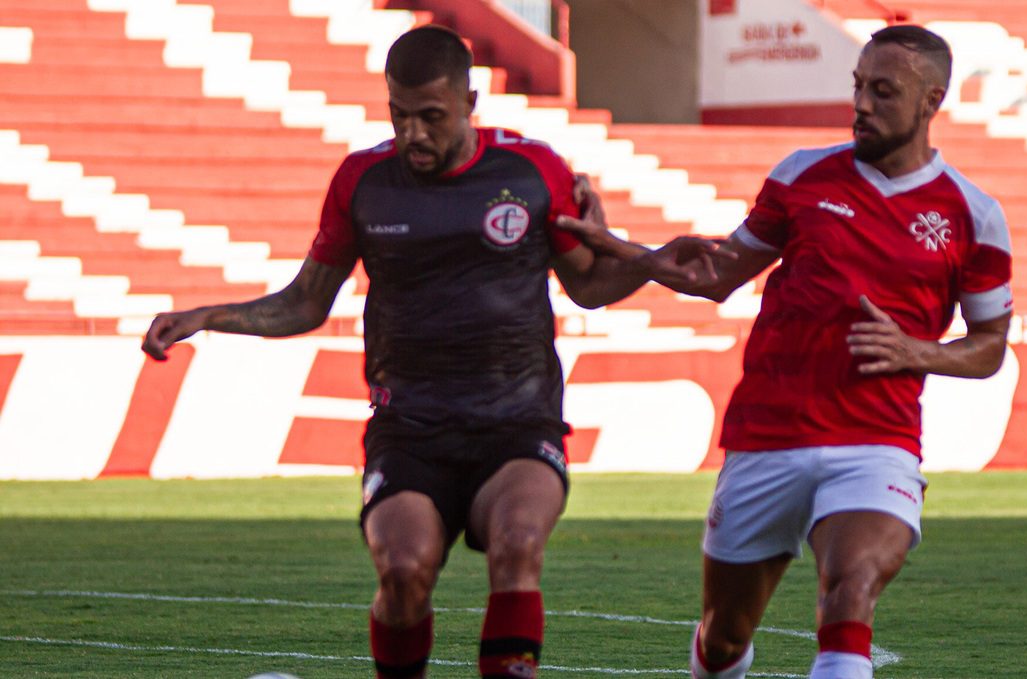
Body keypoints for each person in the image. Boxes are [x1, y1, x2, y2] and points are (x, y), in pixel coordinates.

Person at [140, 25, 721, 679]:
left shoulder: (532, 172)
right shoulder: (364, 181)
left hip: (518, 423)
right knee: (403, 570)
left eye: (431, 117)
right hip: (410, 428)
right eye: (400, 115)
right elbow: (306, 302)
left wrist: (653, 263)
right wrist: (205, 316)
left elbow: (587, 284)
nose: (413, 133)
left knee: (519, 545)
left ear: (470, 102)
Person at [556, 25, 1013, 679]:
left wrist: (918, 351)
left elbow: (990, 344)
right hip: (768, 435)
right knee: (722, 634)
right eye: (859, 87)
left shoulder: (973, 214)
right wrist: (629, 251)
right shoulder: (802, 175)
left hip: (875, 442)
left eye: (884, 92)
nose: (862, 104)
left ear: (932, 100)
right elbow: (717, 274)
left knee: (847, 594)